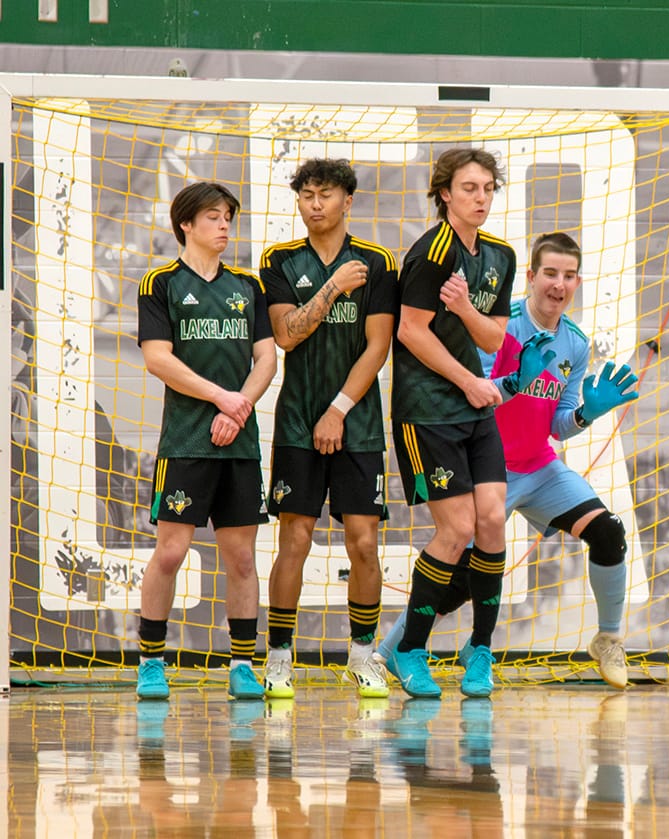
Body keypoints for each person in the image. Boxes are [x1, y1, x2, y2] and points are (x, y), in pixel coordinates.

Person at [378, 232, 639, 689]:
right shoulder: (500, 327)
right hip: (488, 467)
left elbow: (559, 425)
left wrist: (586, 413)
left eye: (569, 276)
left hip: (539, 467)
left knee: (609, 531)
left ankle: (609, 640)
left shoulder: (575, 344)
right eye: (550, 274)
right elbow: (474, 395)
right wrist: (518, 379)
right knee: (460, 578)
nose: (558, 285)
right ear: (532, 277)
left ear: (578, 283)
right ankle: (390, 652)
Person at [384, 147, 531, 700]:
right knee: (457, 529)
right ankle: (409, 649)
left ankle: (480, 648)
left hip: (474, 406)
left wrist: (468, 310)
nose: (481, 198)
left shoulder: (500, 255)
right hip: (427, 410)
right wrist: (469, 381)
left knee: (492, 519)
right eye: (470, 188)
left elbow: (495, 336)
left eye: (488, 188)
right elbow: (410, 331)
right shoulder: (430, 253)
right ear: (445, 193)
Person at [259, 158, 398, 700]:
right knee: (294, 538)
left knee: (363, 542)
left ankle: (362, 656)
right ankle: (278, 658)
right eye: (307, 195)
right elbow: (287, 335)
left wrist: (338, 409)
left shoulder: (378, 262)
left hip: (356, 421)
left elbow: (378, 346)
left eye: (326, 195)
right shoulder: (279, 260)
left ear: (348, 201)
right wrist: (333, 288)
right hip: (297, 420)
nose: (315, 204)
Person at [134, 181, 277, 700]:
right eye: (213, 217)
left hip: (238, 443)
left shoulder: (248, 286)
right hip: (186, 442)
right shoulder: (160, 283)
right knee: (171, 553)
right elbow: (158, 358)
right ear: (186, 224)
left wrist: (238, 410)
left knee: (241, 558)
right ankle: (151, 661)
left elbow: (267, 358)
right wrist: (222, 398)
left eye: (228, 217)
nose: (223, 225)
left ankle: (242, 665)